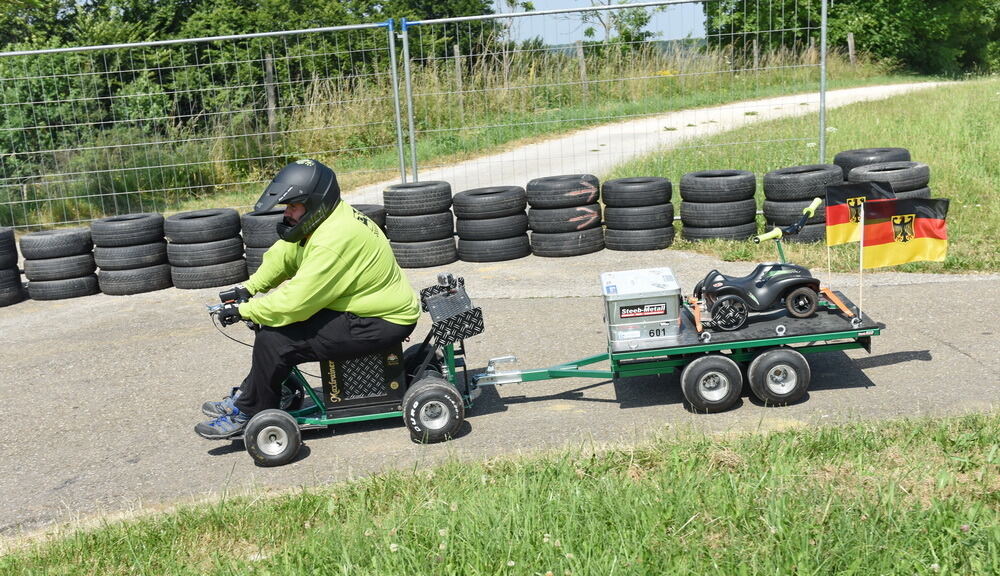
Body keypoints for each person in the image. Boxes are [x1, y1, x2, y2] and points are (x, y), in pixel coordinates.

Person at [195, 159, 420, 439]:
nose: (287, 213)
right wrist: (249, 289)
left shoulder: (333, 239)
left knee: (275, 340)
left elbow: (297, 303)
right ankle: (263, 393)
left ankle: (250, 412)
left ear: (315, 203)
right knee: (274, 330)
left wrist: (247, 310)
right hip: (369, 308)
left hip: (380, 321)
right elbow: (285, 255)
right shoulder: (325, 219)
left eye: (293, 206)